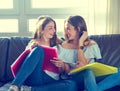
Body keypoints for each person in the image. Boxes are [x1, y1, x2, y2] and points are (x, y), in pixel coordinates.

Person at [51, 15, 120, 91]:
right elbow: (81, 68)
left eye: (68, 29)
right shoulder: (61, 47)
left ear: (78, 29)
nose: (66, 32)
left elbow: (81, 65)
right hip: (74, 79)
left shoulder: (91, 45)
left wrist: (80, 43)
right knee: (87, 71)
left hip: (91, 79)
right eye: (65, 29)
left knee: (119, 73)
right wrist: (64, 66)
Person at [8, 16, 77, 91]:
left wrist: (62, 64)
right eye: (50, 28)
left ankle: (30, 89)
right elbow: (25, 64)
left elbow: (67, 67)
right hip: (36, 77)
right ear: (42, 30)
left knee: (72, 85)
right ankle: (15, 86)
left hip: (51, 80)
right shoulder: (33, 43)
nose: (54, 31)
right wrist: (31, 50)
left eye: (54, 28)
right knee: (38, 50)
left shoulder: (58, 44)